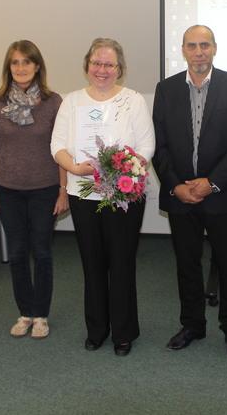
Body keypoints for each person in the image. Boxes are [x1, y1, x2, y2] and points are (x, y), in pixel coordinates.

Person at [152, 24, 227, 361]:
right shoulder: (165, 90)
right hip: (181, 195)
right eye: (192, 45)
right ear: (183, 50)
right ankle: (192, 325)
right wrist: (176, 185)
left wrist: (211, 183)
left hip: (222, 195)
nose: (199, 51)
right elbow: (158, 144)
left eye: (205, 45)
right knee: (186, 264)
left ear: (214, 48)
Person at [51, 37, 155, 357]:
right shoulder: (71, 101)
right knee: (92, 265)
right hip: (83, 193)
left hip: (123, 194)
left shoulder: (134, 100)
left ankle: (123, 332)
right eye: (96, 63)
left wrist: (123, 169)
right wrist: (76, 168)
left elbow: (147, 146)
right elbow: (57, 146)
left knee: (121, 264)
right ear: (87, 66)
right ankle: (96, 329)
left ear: (119, 69)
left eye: (109, 64)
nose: (102, 69)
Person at [0, 40, 68, 340]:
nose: (21, 68)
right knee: (18, 253)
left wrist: (63, 190)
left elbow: (60, 149)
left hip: (44, 188)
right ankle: (25, 312)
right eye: (15, 62)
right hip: (7, 189)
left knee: (42, 252)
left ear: (37, 66)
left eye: (26, 62)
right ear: (9, 67)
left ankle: (41, 314)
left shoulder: (53, 102)